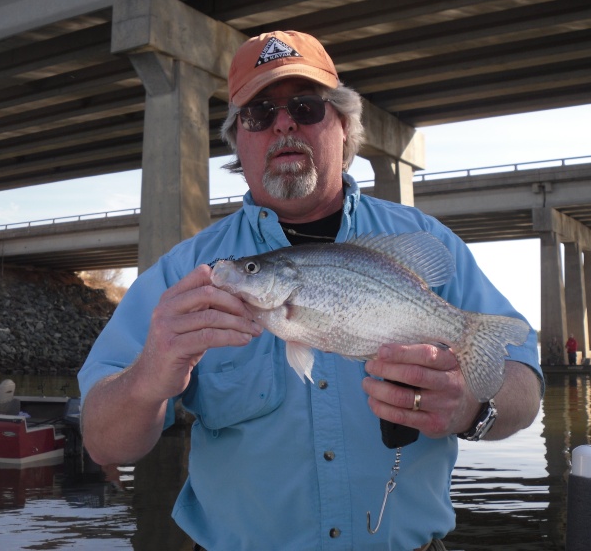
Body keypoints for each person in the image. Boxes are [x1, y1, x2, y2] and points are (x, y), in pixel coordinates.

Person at [78, 30, 543, 550]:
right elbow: (102, 440)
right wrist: (148, 375)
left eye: (306, 106)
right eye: (258, 114)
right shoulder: (188, 271)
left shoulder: (425, 240)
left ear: (344, 127)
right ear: (239, 141)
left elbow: (524, 383)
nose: (283, 123)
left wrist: (470, 409)